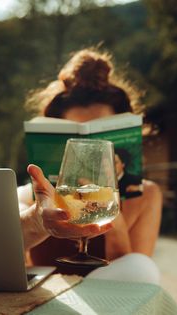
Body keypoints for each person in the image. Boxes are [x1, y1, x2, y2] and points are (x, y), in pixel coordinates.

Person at [19, 48, 162, 283]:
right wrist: (37, 219)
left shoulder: (146, 196)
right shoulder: (28, 198)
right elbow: (7, 260)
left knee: (140, 266)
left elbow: (133, 280)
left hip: (110, 300)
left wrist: (111, 202)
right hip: (50, 298)